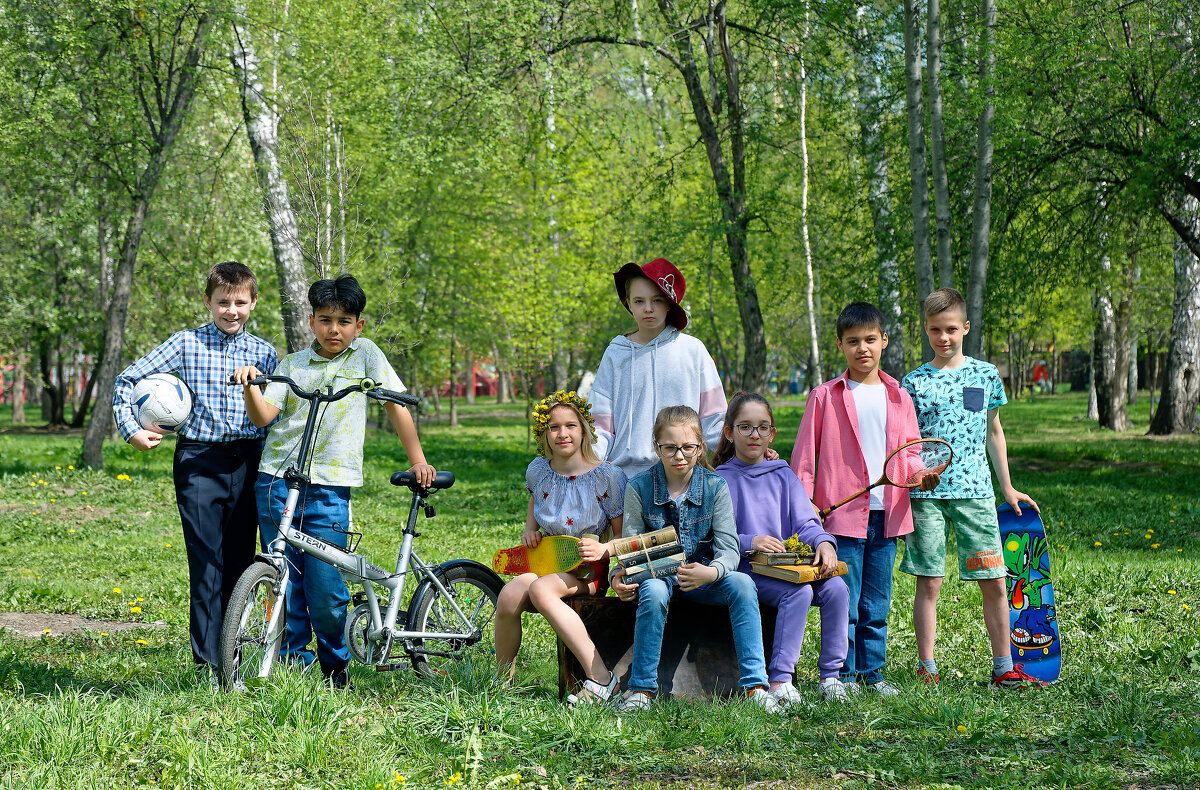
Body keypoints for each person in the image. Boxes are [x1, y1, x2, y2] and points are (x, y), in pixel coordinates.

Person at [233, 274, 435, 689]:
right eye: (325, 320)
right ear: (311, 321)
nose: (334, 329)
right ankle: (293, 661)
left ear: (358, 325)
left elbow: (397, 406)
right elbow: (263, 417)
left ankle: (334, 666)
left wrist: (418, 459)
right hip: (275, 481)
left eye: (344, 321)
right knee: (285, 578)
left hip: (329, 486)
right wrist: (252, 386)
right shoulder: (291, 365)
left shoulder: (365, 357)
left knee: (325, 585)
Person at [112, 261, 278, 680]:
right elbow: (126, 380)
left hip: (250, 461)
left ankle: (235, 655)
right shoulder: (186, 344)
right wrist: (131, 429)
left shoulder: (265, 352)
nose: (232, 310)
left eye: (241, 302)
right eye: (223, 302)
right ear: (208, 302)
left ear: (253, 303)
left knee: (242, 562)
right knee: (207, 562)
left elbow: (273, 414)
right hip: (199, 462)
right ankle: (209, 664)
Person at [899, 287, 1044, 690]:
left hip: (976, 492)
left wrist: (1008, 488)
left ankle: (1003, 666)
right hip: (925, 496)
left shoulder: (985, 375)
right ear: (925, 331)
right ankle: (926, 667)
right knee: (929, 582)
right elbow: (906, 442)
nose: (942, 338)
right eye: (934, 330)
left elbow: (994, 432)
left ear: (965, 328)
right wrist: (913, 476)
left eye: (950, 329)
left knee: (995, 581)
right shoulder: (913, 383)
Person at [791, 302, 935, 697]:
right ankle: (842, 675)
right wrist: (806, 512)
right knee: (846, 603)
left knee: (876, 603)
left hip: (887, 516)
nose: (863, 349)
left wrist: (919, 475)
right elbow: (804, 460)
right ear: (840, 345)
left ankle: (874, 674)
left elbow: (908, 453)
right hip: (839, 518)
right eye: (853, 341)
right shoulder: (824, 396)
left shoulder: (898, 397)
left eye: (870, 340)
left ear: (884, 341)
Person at [610, 405, 778, 713]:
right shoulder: (640, 487)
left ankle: (755, 686)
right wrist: (616, 577)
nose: (679, 456)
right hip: (658, 578)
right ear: (655, 445)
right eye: (669, 447)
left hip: (703, 576)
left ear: (700, 447)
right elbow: (630, 547)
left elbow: (728, 547)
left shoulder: (715, 486)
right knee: (653, 590)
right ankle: (641, 691)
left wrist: (711, 573)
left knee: (741, 583)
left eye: (688, 447)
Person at [714, 392, 850, 707]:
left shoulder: (782, 474)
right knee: (798, 593)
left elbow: (805, 522)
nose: (754, 435)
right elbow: (716, 536)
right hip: (748, 570)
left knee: (837, 589)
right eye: (745, 427)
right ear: (729, 432)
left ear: (772, 433)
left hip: (788, 566)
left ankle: (831, 677)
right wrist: (751, 541)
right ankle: (780, 680)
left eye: (763, 428)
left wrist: (824, 542)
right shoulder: (721, 480)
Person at [493, 390, 626, 702]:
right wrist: (530, 530)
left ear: (584, 430)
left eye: (571, 426)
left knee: (541, 590)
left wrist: (605, 550)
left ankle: (601, 679)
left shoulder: (607, 477)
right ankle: (501, 684)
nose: (563, 433)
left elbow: (623, 537)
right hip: (547, 563)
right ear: (544, 433)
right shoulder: (539, 471)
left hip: (587, 570)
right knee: (510, 594)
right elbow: (535, 504)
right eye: (554, 427)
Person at [589, 258, 728, 479]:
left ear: (669, 303)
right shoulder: (616, 354)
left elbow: (715, 420)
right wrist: (586, 467)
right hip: (625, 478)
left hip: (685, 476)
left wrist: (746, 454)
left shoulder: (693, 350)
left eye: (657, 300)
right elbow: (600, 424)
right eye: (639, 301)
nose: (648, 308)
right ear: (628, 303)